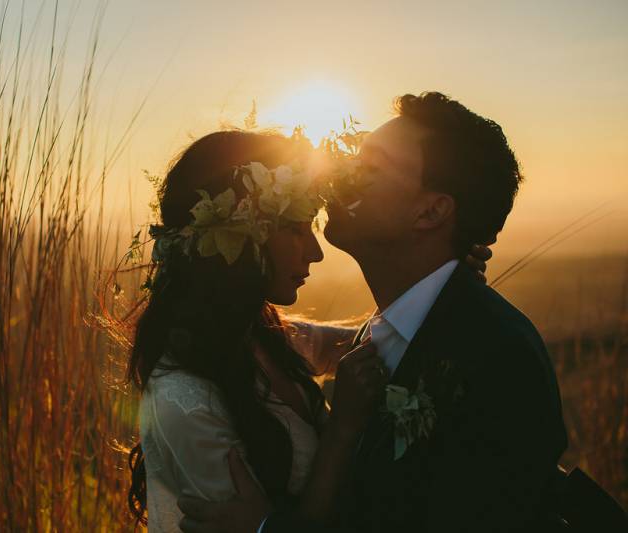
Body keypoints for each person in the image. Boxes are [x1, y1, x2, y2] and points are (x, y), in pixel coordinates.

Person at [177, 93, 568, 533]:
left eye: (371, 165)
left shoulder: (501, 358)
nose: (342, 174)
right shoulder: (384, 333)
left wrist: (269, 529)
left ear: (431, 211)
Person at [115, 128, 492, 533]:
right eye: (296, 230)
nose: (314, 252)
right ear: (240, 235)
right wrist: (342, 429)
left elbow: (369, 341)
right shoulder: (184, 399)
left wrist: (435, 277)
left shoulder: (264, 336)